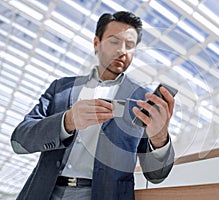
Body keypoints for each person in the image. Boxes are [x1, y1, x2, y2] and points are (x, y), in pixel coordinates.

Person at [11, 11, 175, 200]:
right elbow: (19, 140)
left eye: (129, 45)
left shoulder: (142, 99)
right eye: (114, 42)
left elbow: (156, 175)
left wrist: (160, 137)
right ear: (96, 43)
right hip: (44, 192)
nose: (122, 50)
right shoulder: (61, 88)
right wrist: (68, 121)